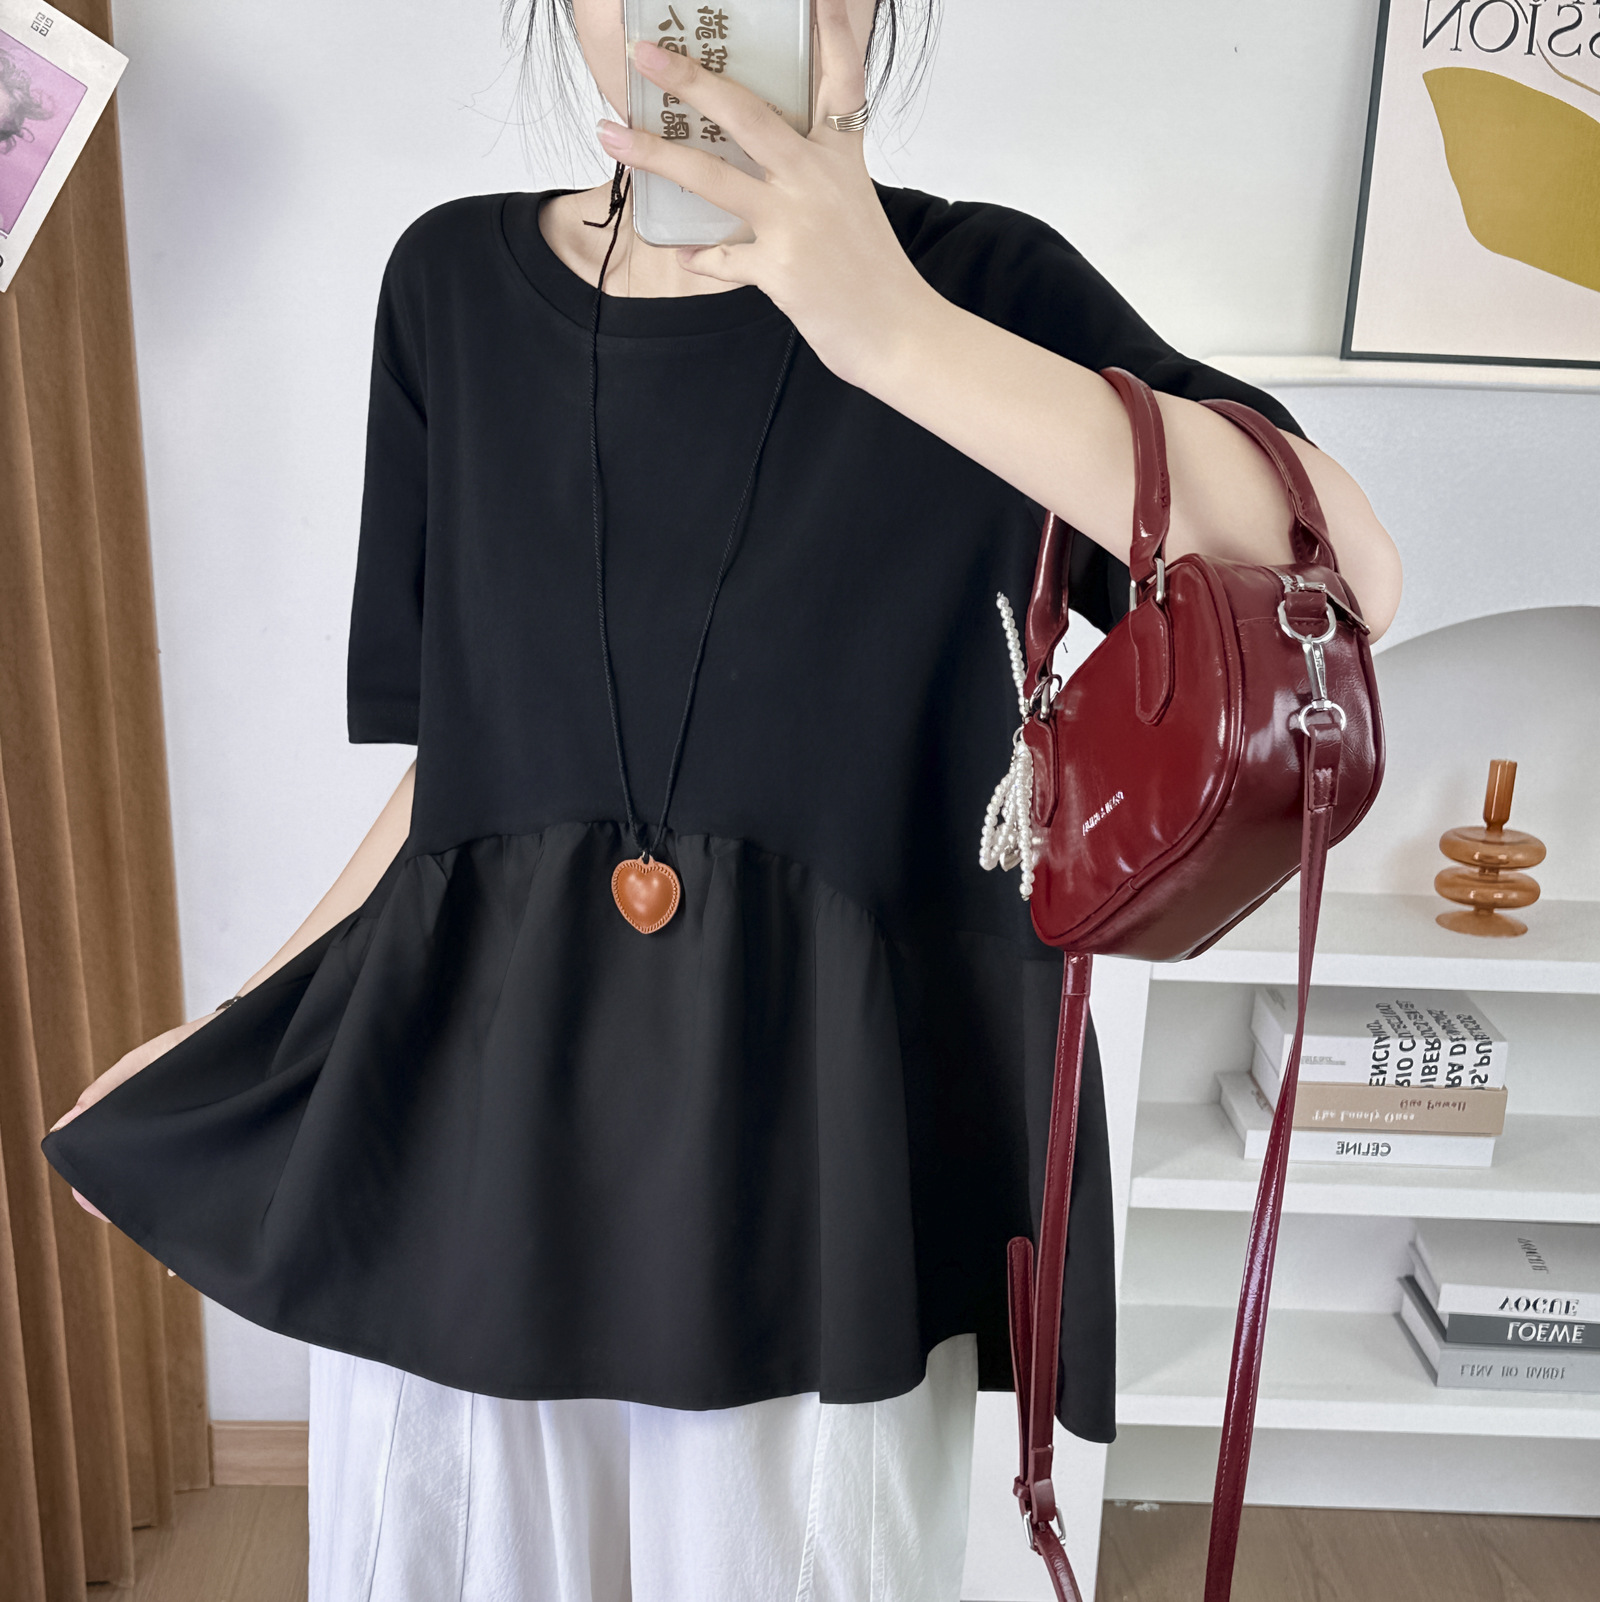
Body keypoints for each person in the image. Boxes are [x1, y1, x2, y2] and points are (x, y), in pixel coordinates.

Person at [43, 2, 1404, 1598]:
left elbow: (1349, 574)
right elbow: (468, 781)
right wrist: (238, 1025)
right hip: (466, 1162)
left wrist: (892, 333)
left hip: (809, 1195)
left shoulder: (981, 292)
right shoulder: (450, 288)